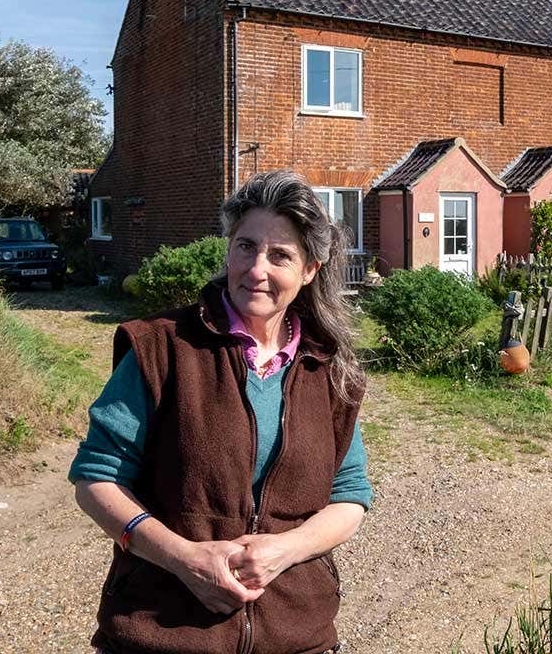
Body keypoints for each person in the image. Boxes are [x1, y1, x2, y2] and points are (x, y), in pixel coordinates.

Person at [69, 170, 372, 654]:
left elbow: (350, 495)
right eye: (245, 246)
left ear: (310, 270)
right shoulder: (161, 348)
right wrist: (183, 559)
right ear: (228, 248)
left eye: (280, 255)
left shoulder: (330, 368)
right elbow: (96, 479)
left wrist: (284, 551)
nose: (256, 269)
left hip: (297, 637)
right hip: (161, 634)